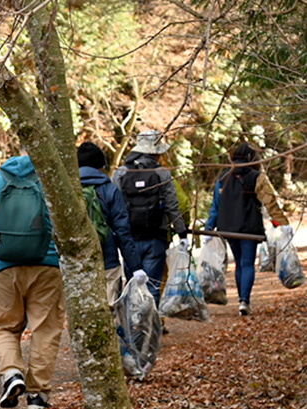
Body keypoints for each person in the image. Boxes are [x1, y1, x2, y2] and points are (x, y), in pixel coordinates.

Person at [0, 152, 64, 409]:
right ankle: (37, 394)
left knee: (1, 327)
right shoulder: (53, 179)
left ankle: (12, 373)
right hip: (47, 264)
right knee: (45, 328)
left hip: (4, 266)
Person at [205, 142, 291, 316]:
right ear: (252, 158)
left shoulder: (223, 178)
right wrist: (283, 223)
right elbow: (270, 203)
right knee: (247, 263)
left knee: (239, 263)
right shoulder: (257, 177)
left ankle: (241, 299)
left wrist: (208, 228)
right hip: (249, 228)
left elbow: (215, 206)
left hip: (228, 228)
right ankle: (244, 301)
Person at [112, 130, 188, 301]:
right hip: (156, 236)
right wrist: (182, 233)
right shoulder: (162, 173)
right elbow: (172, 205)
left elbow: (114, 206)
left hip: (129, 238)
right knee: (152, 286)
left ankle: (133, 327)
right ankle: (151, 327)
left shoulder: (121, 173)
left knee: (132, 285)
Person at [77, 142, 144, 301]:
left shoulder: (66, 189)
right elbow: (122, 231)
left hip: (76, 264)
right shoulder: (109, 188)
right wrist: (136, 267)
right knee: (108, 312)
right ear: (101, 165)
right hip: (107, 261)